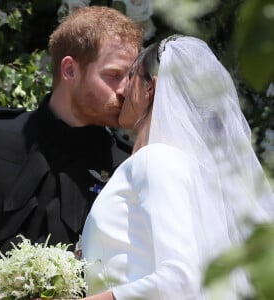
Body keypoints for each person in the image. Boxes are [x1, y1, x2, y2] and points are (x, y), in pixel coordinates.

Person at [81, 35, 274, 299]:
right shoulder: (185, 167)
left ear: (151, 88)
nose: (120, 90)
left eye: (130, 76)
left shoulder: (156, 160)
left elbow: (180, 279)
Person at [0, 6, 143, 297]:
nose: (125, 90)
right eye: (114, 75)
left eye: (131, 77)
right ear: (69, 70)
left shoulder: (127, 167)